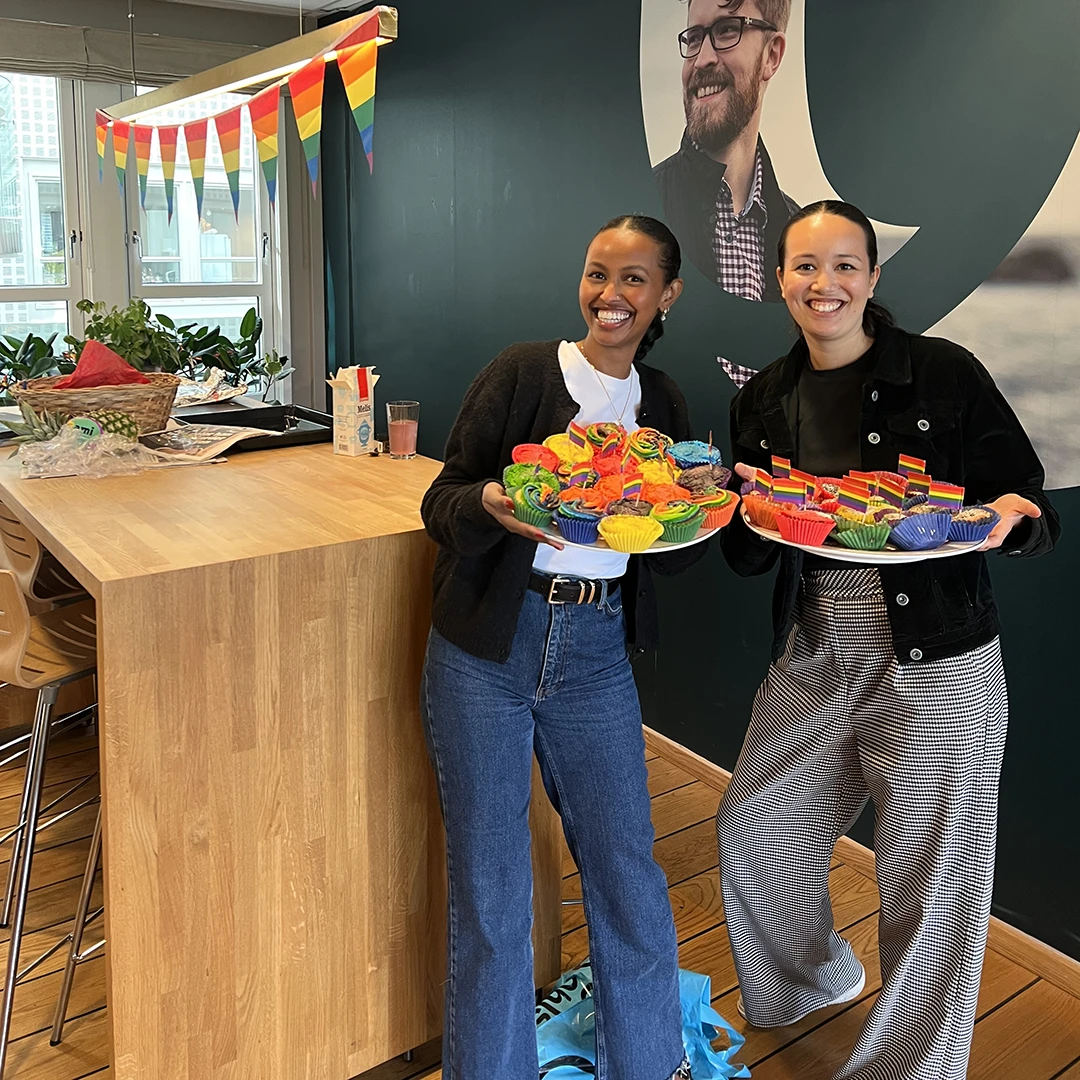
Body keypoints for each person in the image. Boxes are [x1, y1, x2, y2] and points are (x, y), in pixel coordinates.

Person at [716, 200, 1059, 1080]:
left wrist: (1012, 521)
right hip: (816, 644)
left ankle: (909, 1068)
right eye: (803, 266)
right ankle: (810, 983)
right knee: (756, 826)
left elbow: (1022, 497)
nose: (822, 285)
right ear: (780, 278)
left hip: (939, 656)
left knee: (930, 882)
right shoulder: (761, 398)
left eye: (843, 265)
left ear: (872, 277)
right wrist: (742, 509)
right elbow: (754, 559)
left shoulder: (942, 374)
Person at [420, 215, 707, 1080]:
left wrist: (695, 507)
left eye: (632, 280)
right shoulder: (522, 373)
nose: (609, 296)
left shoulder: (663, 404)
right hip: (485, 653)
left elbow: (660, 535)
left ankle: (650, 1065)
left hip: (595, 651)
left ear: (667, 294)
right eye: (596, 275)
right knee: (494, 894)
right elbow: (444, 500)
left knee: (628, 874)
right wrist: (489, 509)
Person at [653, 0, 797, 300]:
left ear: (771, 55)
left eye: (727, 30)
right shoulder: (641, 205)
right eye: (694, 37)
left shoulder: (799, 234)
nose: (702, 59)